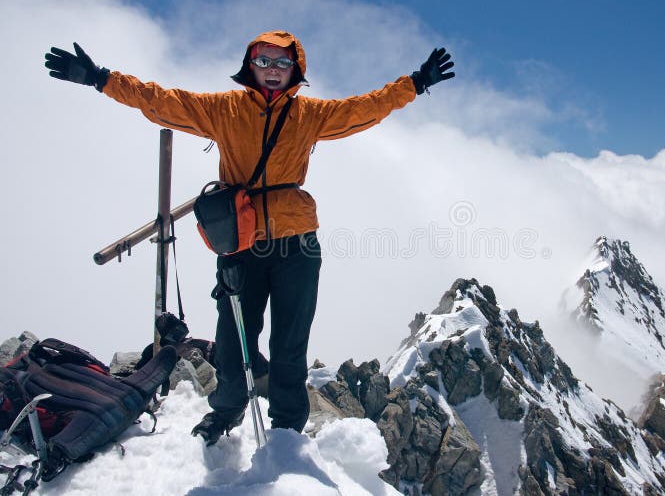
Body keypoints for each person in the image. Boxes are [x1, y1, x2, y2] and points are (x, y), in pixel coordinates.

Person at [44, 30, 454, 445]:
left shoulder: (308, 115)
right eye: (264, 61)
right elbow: (163, 102)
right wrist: (101, 78)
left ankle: (286, 428)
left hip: (298, 243)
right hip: (241, 242)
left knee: (290, 343)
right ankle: (226, 411)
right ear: (250, 65)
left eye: (282, 63)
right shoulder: (224, 109)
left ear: (296, 69)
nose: (273, 71)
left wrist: (415, 84)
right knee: (232, 338)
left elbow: (362, 109)